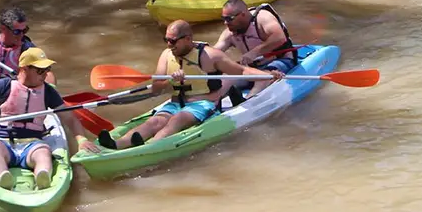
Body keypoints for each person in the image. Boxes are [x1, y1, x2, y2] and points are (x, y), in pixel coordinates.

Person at [94, 19, 283, 150]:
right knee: (155, 121)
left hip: (203, 105)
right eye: (166, 40)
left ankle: (148, 148)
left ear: (187, 39)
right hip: (176, 102)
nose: (169, 45)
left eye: (173, 41)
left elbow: (241, 71)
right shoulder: (166, 55)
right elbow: (157, 88)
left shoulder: (210, 55)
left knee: (177, 119)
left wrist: (267, 75)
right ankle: (118, 144)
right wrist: (168, 80)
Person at [0, 48, 94, 188]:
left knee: (43, 151)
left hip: (32, 144)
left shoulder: (48, 92)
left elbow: (70, 118)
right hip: (3, 141)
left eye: (47, 69)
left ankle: (43, 177)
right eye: (40, 70)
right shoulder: (3, 86)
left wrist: (82, 140)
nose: (45, 74)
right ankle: (3, 179)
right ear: (24, 69)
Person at [213, 0, 300, 97]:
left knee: (262, 77)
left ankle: (248, 101)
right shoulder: (229, 33)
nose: (225, 23)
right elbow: (214, 52)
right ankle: (214, 103)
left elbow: (280, 37)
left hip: (281, 61)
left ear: (242, 15)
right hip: (252, 68)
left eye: (229, 19)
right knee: (226, 79)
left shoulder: (263, 18)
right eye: (223, 18)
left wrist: (254, 52)